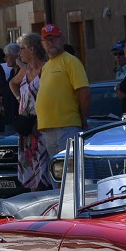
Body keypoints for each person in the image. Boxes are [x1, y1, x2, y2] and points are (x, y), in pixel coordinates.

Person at [36, 23, 90, 161]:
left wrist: (82, 120)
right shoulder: (46, 67)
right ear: (42, 44)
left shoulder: (71, 61)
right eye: (46, 40)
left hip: (67, 126)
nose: (50, 42)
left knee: (70, 173)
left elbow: (83, 91)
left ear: (62, 39)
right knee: (57, 173)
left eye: (53, 38)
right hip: (48, 128)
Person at [9, 32, 49, 192]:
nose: (20, 53)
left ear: (32, 50)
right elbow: (12, 83)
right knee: (31, 166)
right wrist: (21, 99)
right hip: (27, 127)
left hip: (42, 124)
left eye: (22, 49)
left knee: (44, 165)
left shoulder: (46, 68)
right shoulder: (25, 70)